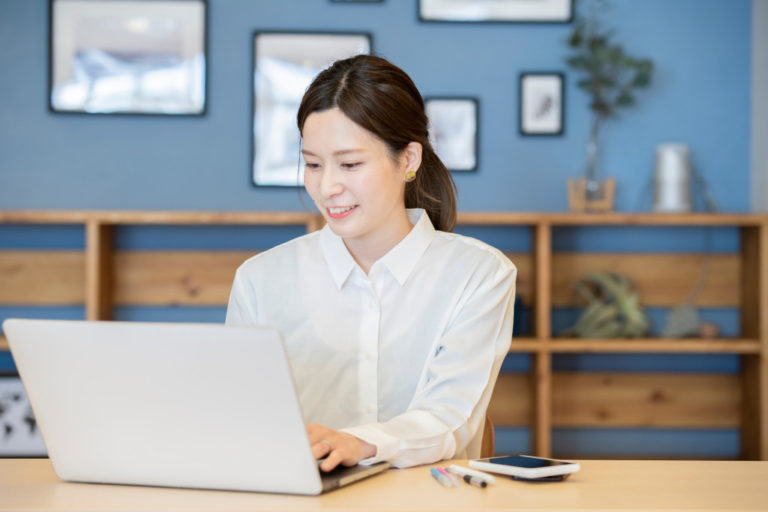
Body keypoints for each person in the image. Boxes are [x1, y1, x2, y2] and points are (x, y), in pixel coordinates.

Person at [226, 54, 516, 471]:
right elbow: (241, 418)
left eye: (350, 164)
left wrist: (358, 443)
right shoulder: (260, 280)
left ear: (408, 160)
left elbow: (450, 419)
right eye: (312, 164)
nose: (327, 187)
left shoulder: (479, 275)